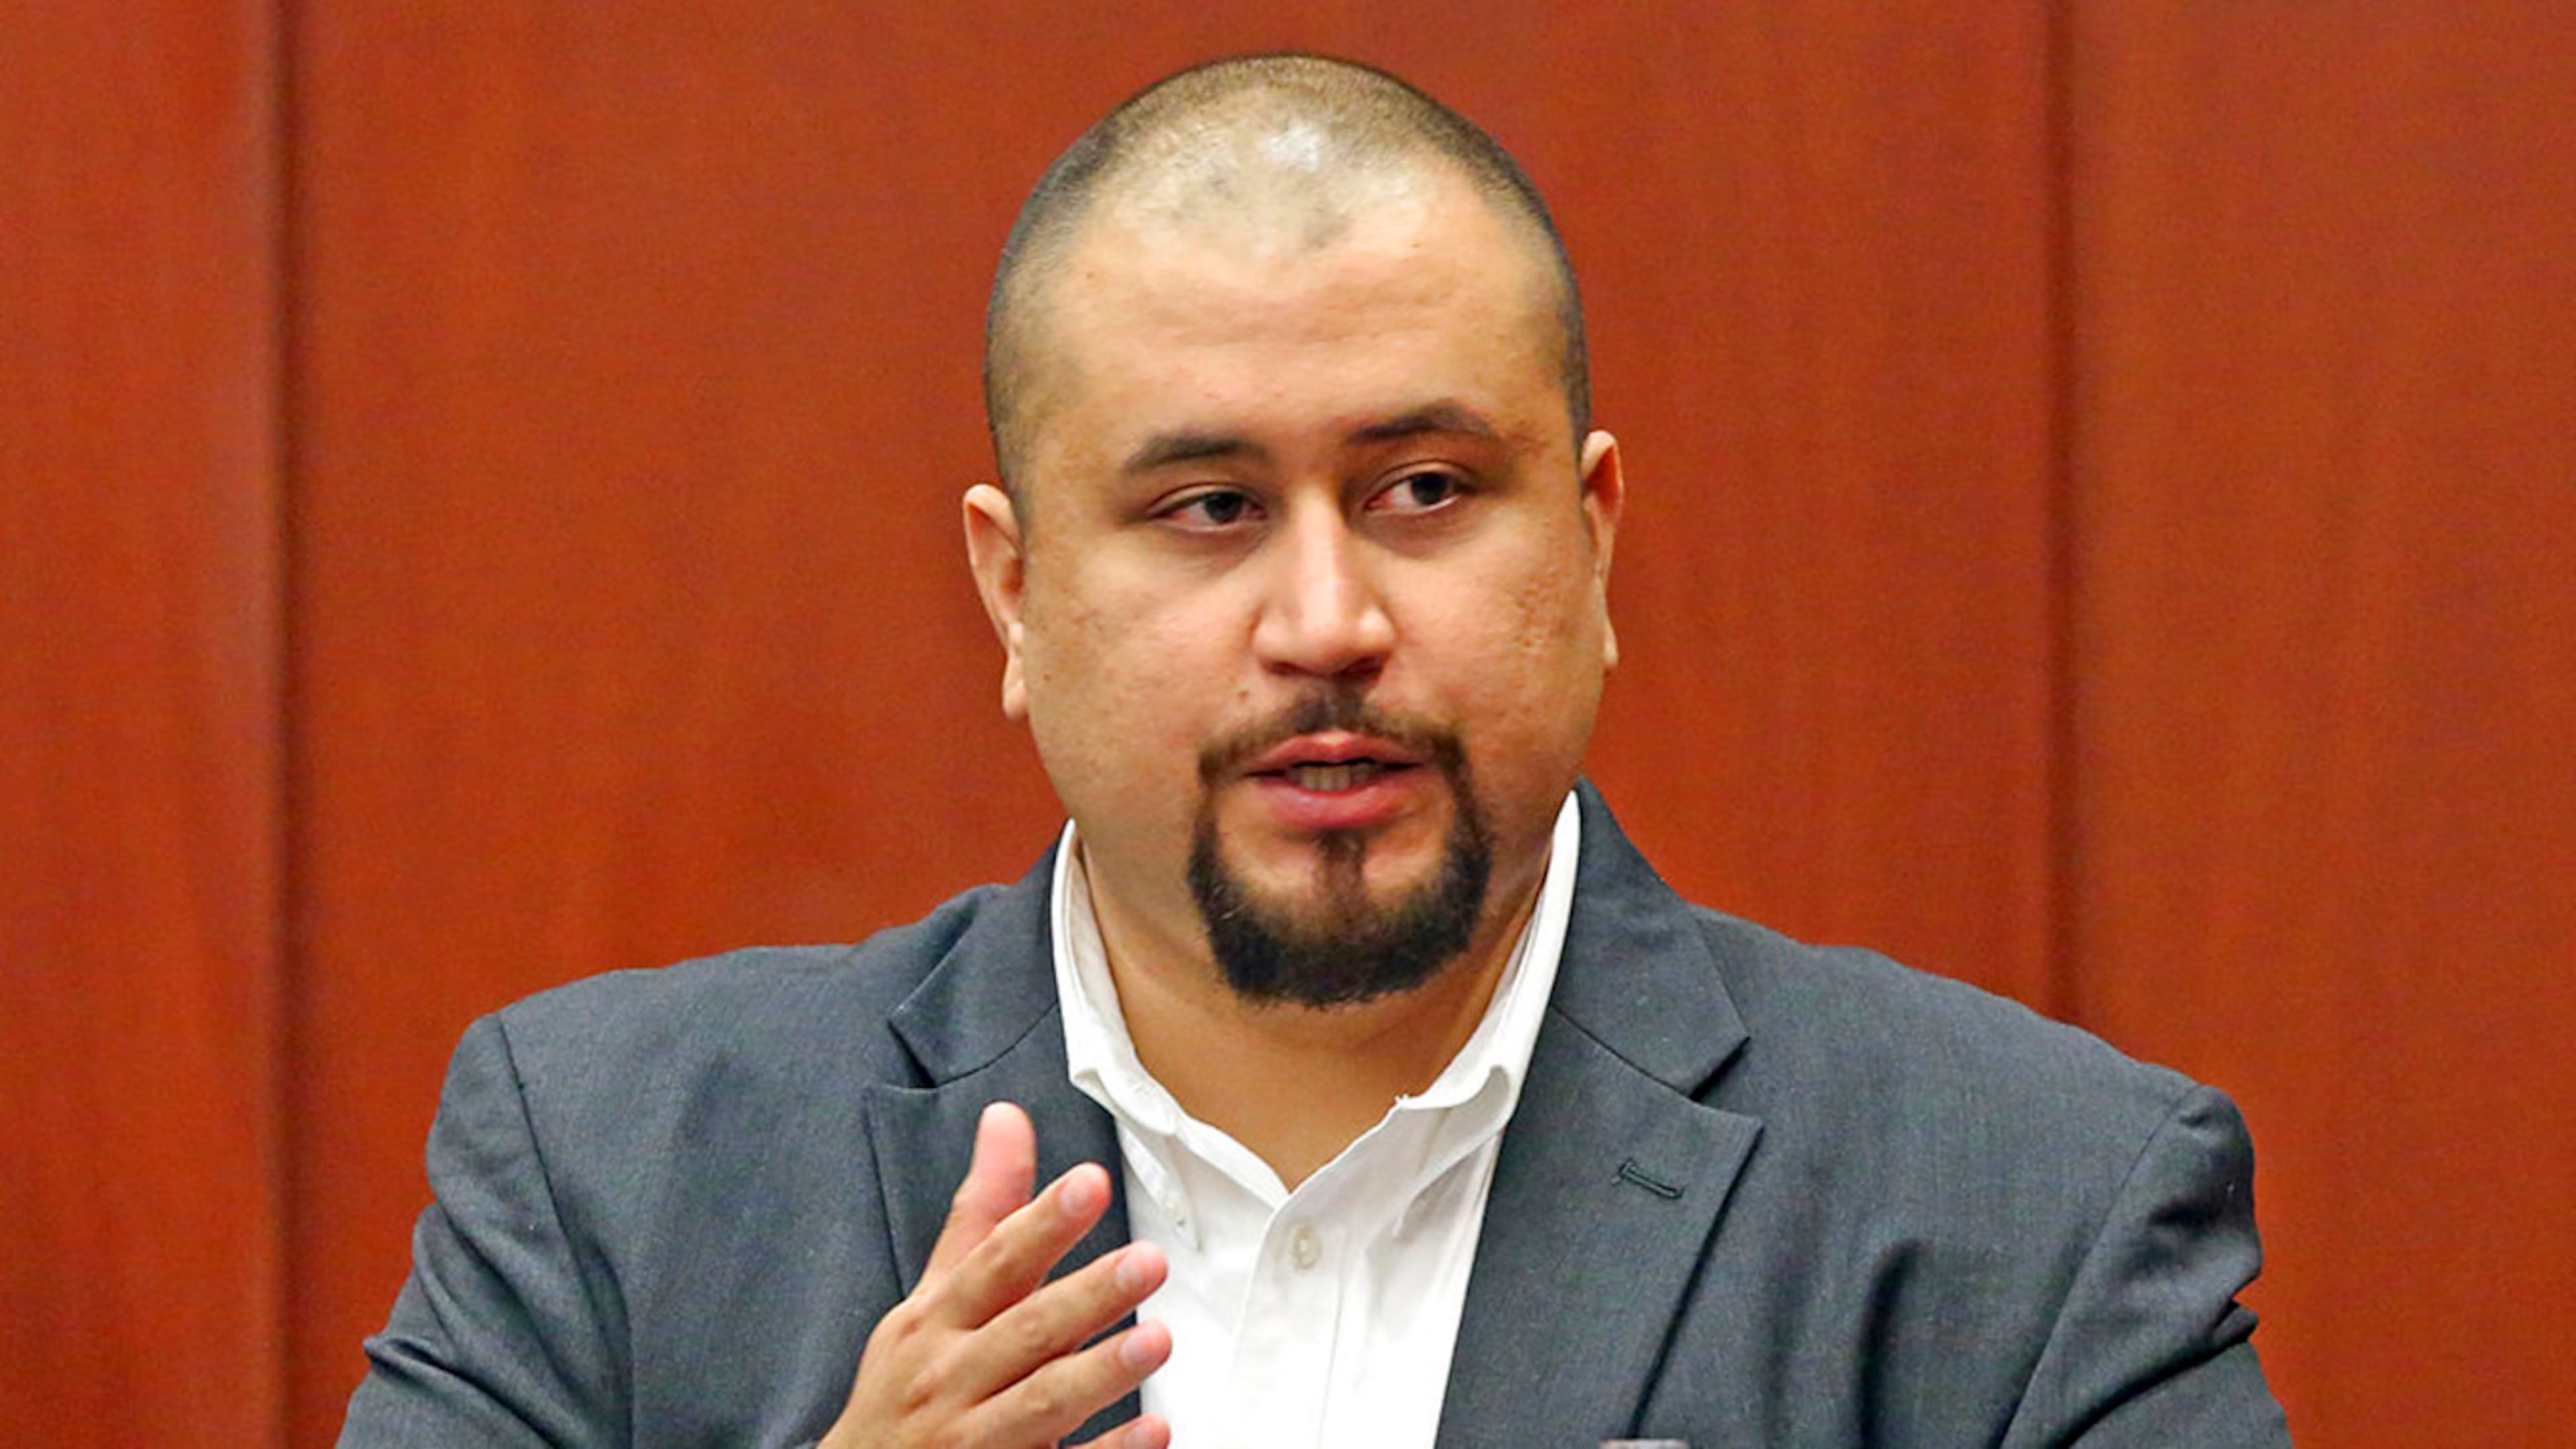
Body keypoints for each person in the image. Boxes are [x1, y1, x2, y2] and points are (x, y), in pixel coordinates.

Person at [340, 54, 2292, 1449]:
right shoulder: (611, 1174)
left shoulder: (2034, 1215)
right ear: (1016, 596)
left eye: (1425, 488)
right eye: (1206, 508)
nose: (1328, 619)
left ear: (1594, 543)